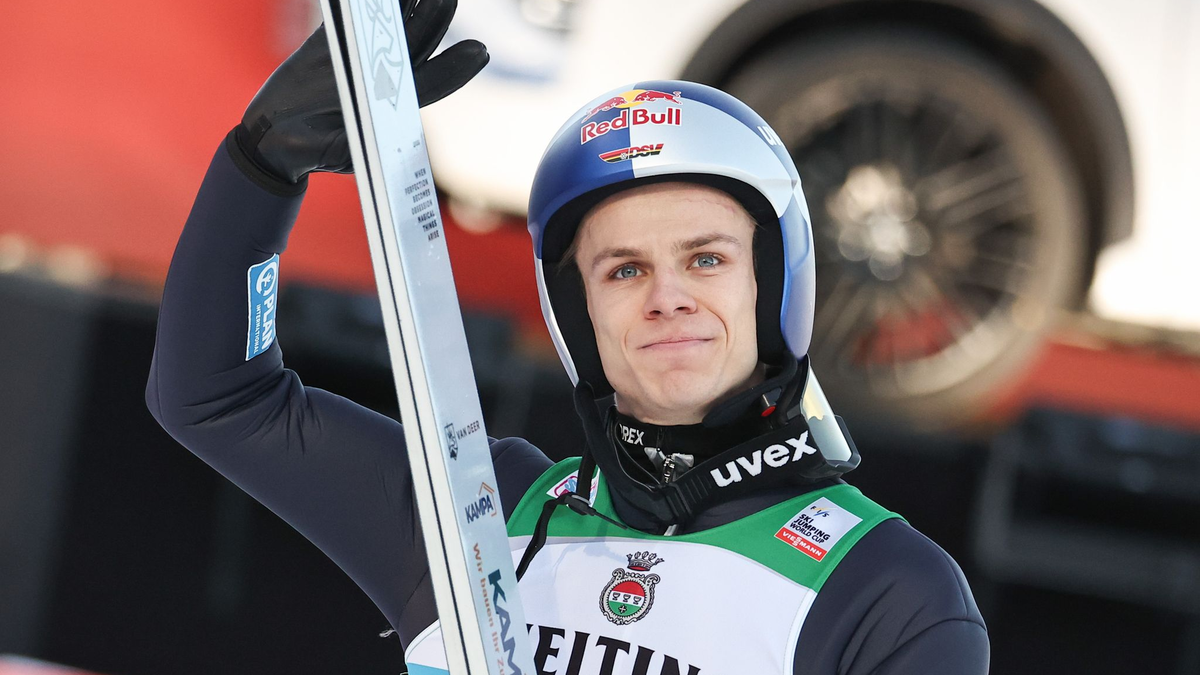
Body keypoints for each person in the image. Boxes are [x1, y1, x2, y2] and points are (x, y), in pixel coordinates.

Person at [147, 1, 989, 673]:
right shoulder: (476, 509)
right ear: (577, 314)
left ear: (774, 281)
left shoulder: (887, 593)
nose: (667, 297)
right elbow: (216, 395)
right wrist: (259, 169)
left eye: (704, 258)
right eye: (622, 270)